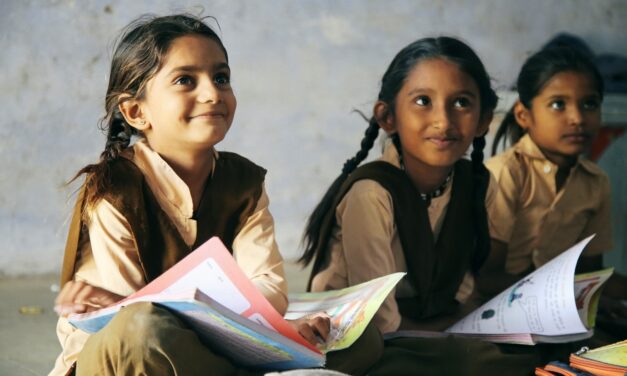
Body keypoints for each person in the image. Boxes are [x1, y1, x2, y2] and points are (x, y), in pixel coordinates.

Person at [50, 14, 381, 376]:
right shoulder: (114, 191)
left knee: (359, 338)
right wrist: (244, 325)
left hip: (218, 345)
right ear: (136, 111)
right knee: (143, 328)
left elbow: (268, 287)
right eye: (185, 80)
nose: (211, 93)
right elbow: (127, 314)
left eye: (221, 78)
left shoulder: (244, 182)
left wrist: (277, 329)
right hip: (129, 357)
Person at [300, 37, 546, 374]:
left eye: (461, 102)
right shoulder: (371, 194)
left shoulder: (473, 184)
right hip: (357, 337)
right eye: (422, 101)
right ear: (388, 117)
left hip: (428, 324)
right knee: (473, 362)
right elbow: (381, 322)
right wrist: (457, 332)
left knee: (531, 352)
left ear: (484, 119)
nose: (443, 121)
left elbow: (462, 291)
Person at [477, 46, 627, 327]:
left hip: (558, 311)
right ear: (524, 116)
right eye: (559, 104)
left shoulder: (595, 182)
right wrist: (568, 296)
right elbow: (485, 279)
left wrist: (590, 296)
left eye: (589, 104)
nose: (578, 118)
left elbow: (590, 273)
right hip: (493, 313)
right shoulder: (505, 174)